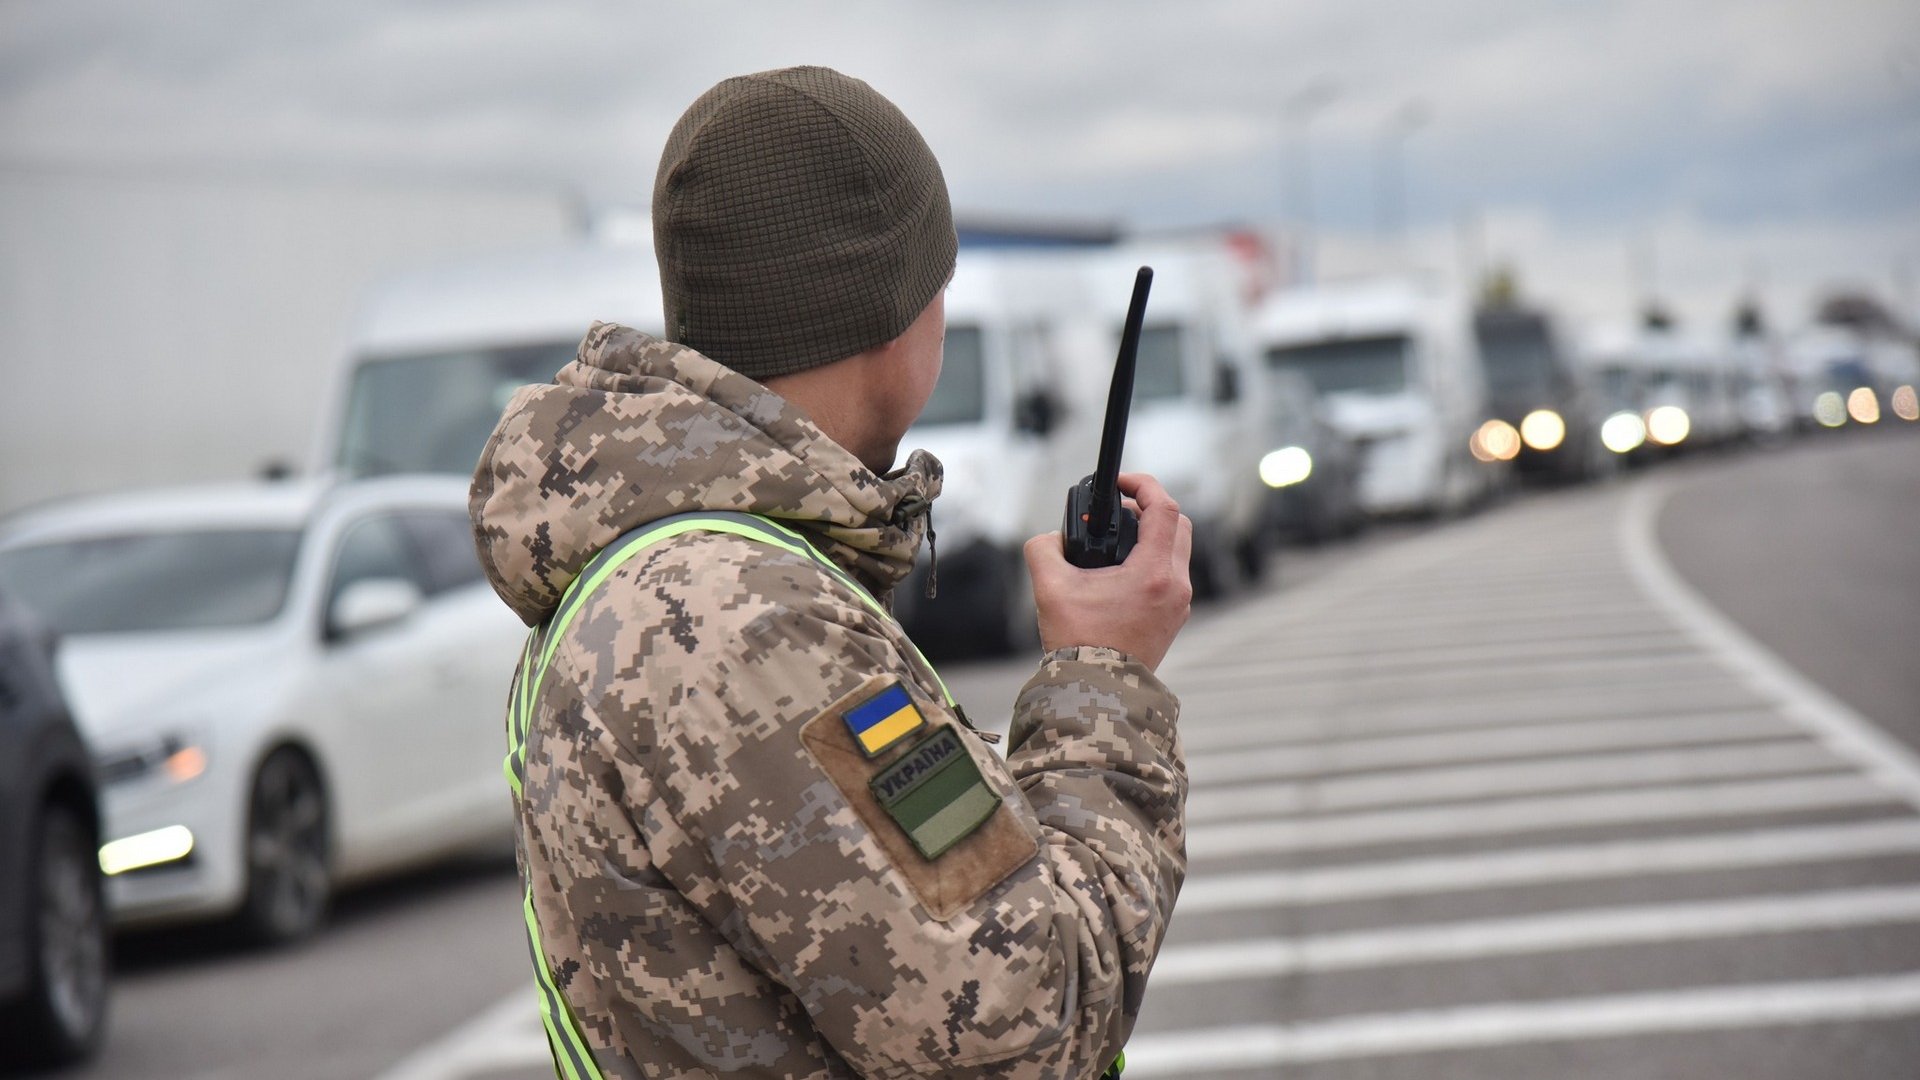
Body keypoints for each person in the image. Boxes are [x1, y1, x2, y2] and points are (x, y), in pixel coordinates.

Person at [470, 65, 1192, 1080]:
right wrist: (1103, 678)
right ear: (893, 313)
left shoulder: (682, 577)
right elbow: (1026, 1021)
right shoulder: (747, 624)